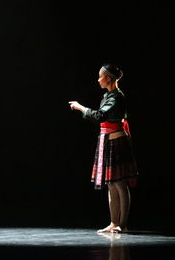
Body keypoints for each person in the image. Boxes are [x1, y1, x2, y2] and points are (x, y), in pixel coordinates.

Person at [68, 63, 138, 233]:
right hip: (107, 141)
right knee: (111, 184)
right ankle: (114, 223)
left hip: (116, 142)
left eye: (100, 76)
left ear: (107, 78)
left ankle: (122, 224)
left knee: (120, 184)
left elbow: (100, 116)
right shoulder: (107, 96)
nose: (98, 79)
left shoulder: (116, 97)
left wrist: (80, 107)